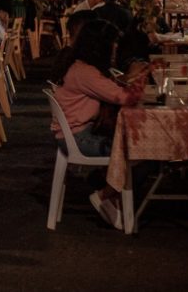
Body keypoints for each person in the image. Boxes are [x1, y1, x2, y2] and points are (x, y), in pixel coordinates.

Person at [50, 19, 146, 230]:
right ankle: (105, 194)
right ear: (101, 45)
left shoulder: (80, 66)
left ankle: (105, 184)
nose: (115, 47)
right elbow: (123, 97)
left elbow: (111, 88)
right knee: (137, 150)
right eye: (112, 43)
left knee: (133, 145)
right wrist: (141, 78)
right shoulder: (86, 73)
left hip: (74, 134)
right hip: (78, 138)